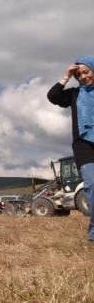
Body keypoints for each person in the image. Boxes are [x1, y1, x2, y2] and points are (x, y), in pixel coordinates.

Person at [48, 56, 94, 243]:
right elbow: (53, 96)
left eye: (86, 72)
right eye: (78, 74)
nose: (83, 77)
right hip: (84, 144)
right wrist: (66, 75)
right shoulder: (74, 94)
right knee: (92, 186)